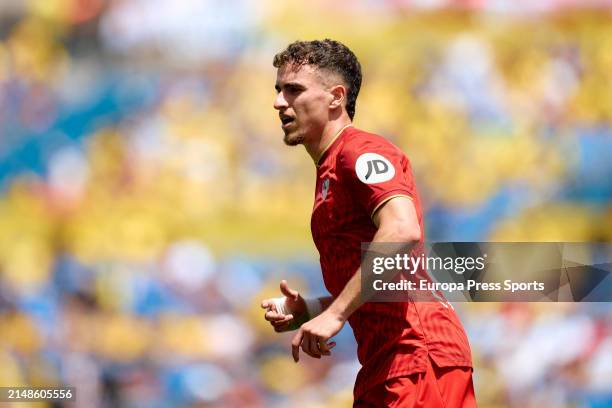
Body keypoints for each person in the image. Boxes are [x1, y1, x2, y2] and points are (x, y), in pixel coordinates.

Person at [261, 39, 476, 408]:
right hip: (386, 362)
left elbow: (402, 231)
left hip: (418, 356)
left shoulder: (360, 151)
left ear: (335, 97)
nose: (280, 101)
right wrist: (314, 308)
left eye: (294, 90)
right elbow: (387, 278)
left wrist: (335, 314)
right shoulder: (329, 169)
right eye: (279, 90)